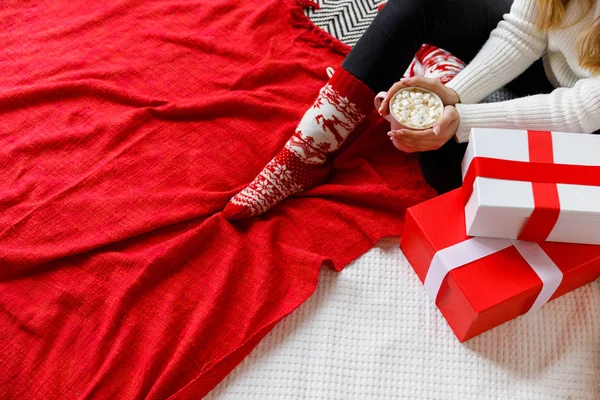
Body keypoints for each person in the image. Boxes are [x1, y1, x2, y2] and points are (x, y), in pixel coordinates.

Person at [223, 0, 600, 220]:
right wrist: (451, 95)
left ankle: (431, 64)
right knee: (417, 4)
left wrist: (460, 122)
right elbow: (524, 34)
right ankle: (306, 152)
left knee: (444, 173)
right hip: (553, 66)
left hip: (588, 120)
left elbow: (579, 111)